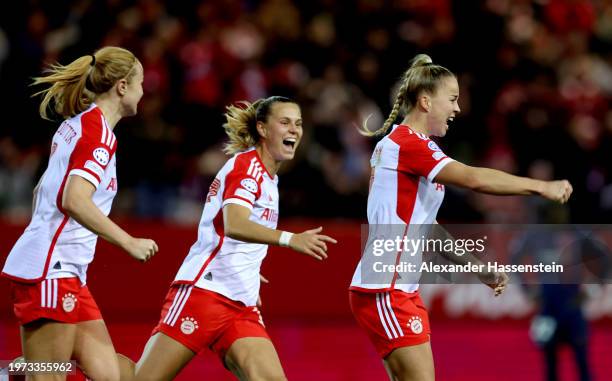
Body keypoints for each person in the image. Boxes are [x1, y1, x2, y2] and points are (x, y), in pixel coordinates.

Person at [349, 54, 573, 381]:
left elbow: (428, 230)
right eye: (452, 99)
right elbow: (474, 179)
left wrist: (478, 269)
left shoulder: (411, 148)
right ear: (425, 101)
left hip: (398, 289)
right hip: (385, 288)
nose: (457, 108)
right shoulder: (407, 144)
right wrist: (541, 187)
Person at [133, 96, 337, 381]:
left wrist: (249, 269)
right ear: (263, 129)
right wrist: (291, 239)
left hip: (241, 304)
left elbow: (239, 234)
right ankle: (95, 369)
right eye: (285, 122)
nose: (294, 130)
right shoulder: (247, 168)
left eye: (299, 124)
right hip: (204, 292)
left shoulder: (269, 178)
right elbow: (234, 224)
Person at [1, 46, 159, 381]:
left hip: (63, 270)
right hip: (52, 272)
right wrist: (127, 241)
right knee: (48, 376)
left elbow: (40, 190)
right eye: (141, 83)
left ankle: (12, 370)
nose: (144, 91)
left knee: (111, 376)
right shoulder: (98, 135)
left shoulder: (76, 125)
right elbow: (74, 199)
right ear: (122, 87)